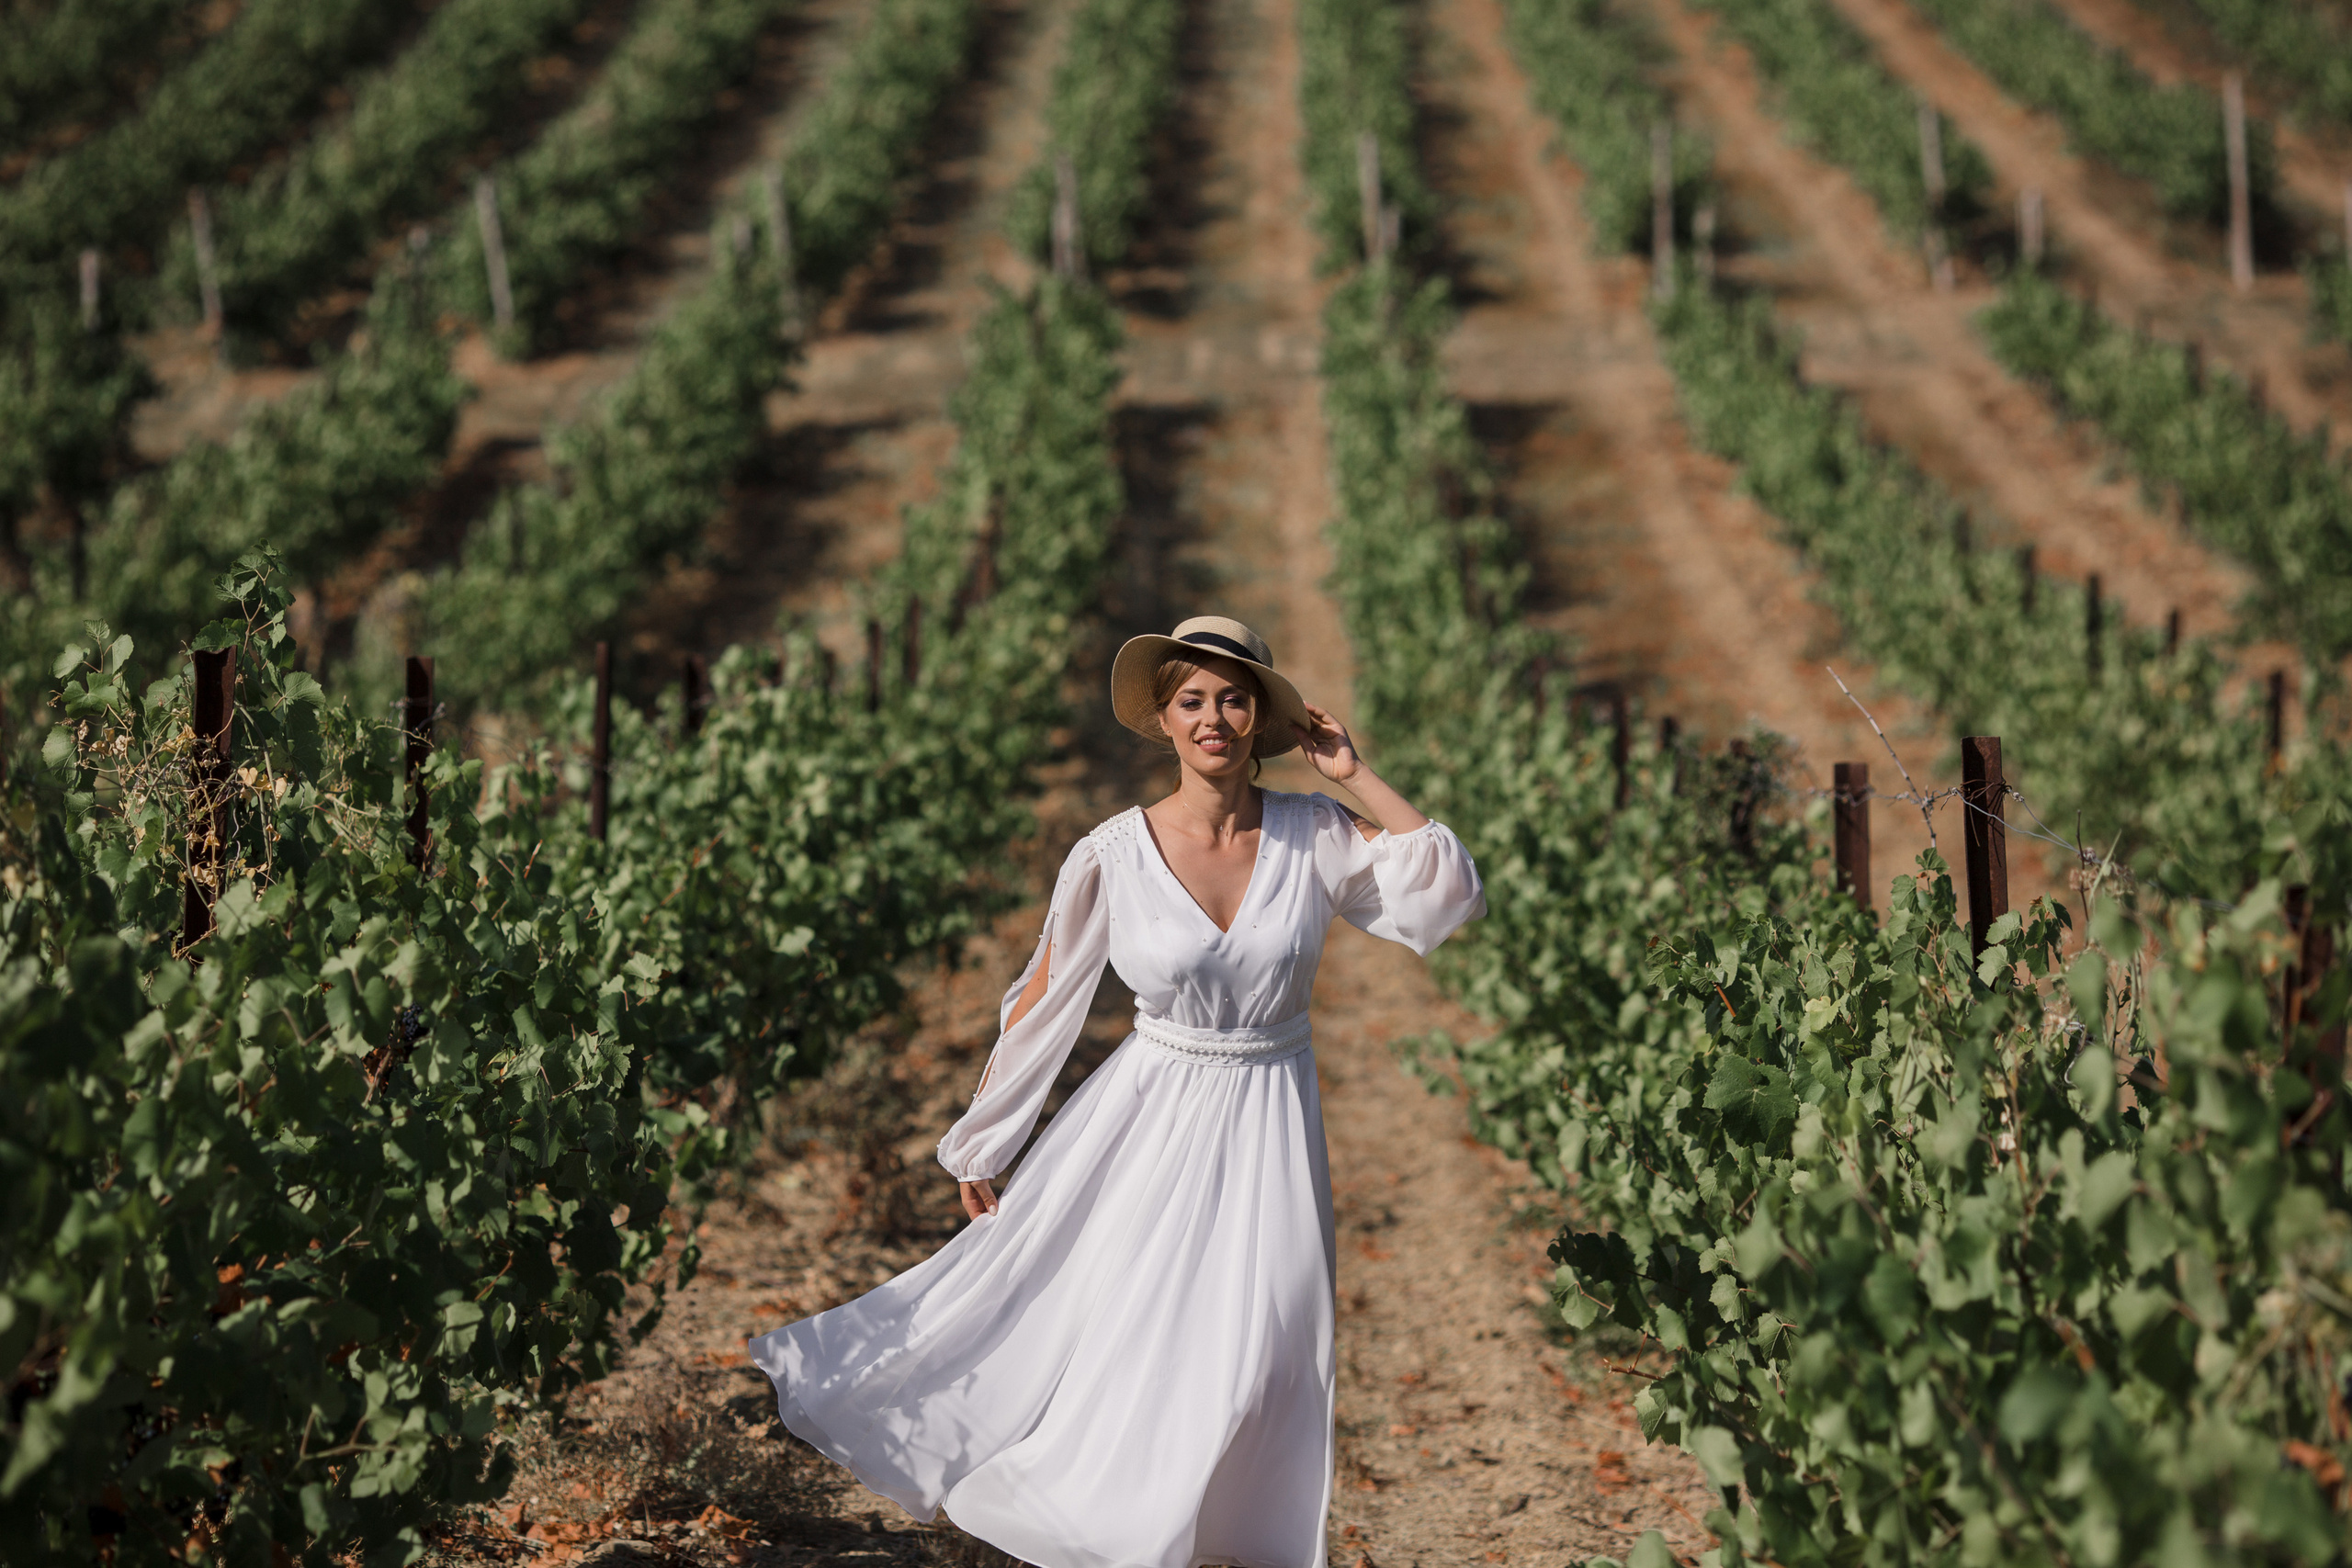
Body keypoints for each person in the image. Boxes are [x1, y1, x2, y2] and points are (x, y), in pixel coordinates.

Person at [749, 615, 1485, 1568]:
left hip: (1270, 1114)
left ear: (1262, 717)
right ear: (1164, 720)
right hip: (1150, 1115)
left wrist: (1354, 774)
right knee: (1143, 1329)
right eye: (1192, 700)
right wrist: (984, 1138)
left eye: (1233, 699)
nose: (1213, 718)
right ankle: (1122, 1530)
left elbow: (1444, 890)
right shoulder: (1113, 853)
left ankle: (1229, 1539)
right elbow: (1046, 997)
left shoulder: (1315, 832)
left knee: (1270, 1345)